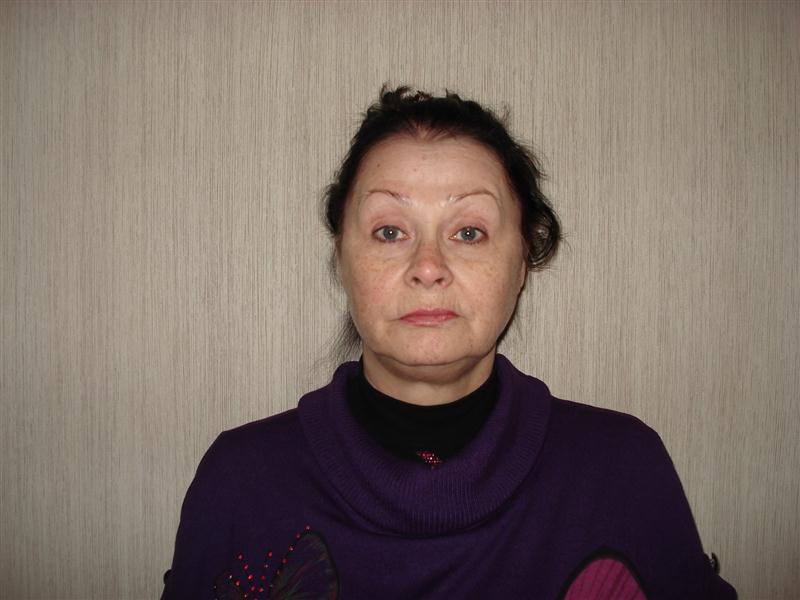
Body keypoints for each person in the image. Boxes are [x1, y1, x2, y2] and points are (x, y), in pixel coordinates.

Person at [161, 87, 737, 599]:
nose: (429, 266)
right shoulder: (241, 483)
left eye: (468, 232)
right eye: (390, 231)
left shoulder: (623, 472)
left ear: (522, 263)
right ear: (342, 259)